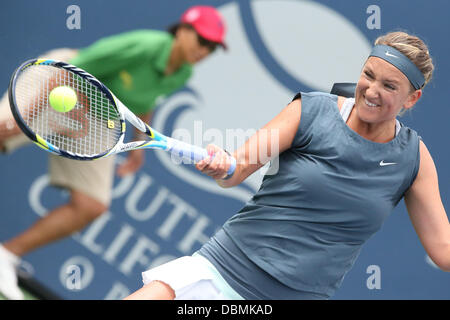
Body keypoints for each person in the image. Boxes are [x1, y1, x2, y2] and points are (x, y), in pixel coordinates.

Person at [124, 31, 449, 300]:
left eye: (389, 86)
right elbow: (236, 169)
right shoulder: (311, 111)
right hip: (221, 271)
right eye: (368, 75)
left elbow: (443, 250)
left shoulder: (413, 159)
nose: (372, 91)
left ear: (412, 99)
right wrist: (222, 164)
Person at [0, 5, 227, 300]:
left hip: (96, 118)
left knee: (91, 205)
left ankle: (5, 255)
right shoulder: (146, 45)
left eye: (212, 48)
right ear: (182, 31)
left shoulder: (182, 72)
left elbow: (144, 101)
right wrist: (24, 116)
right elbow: (76, 65)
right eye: (202, 41)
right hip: (61, 83)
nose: (204, 52)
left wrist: (138, 145)